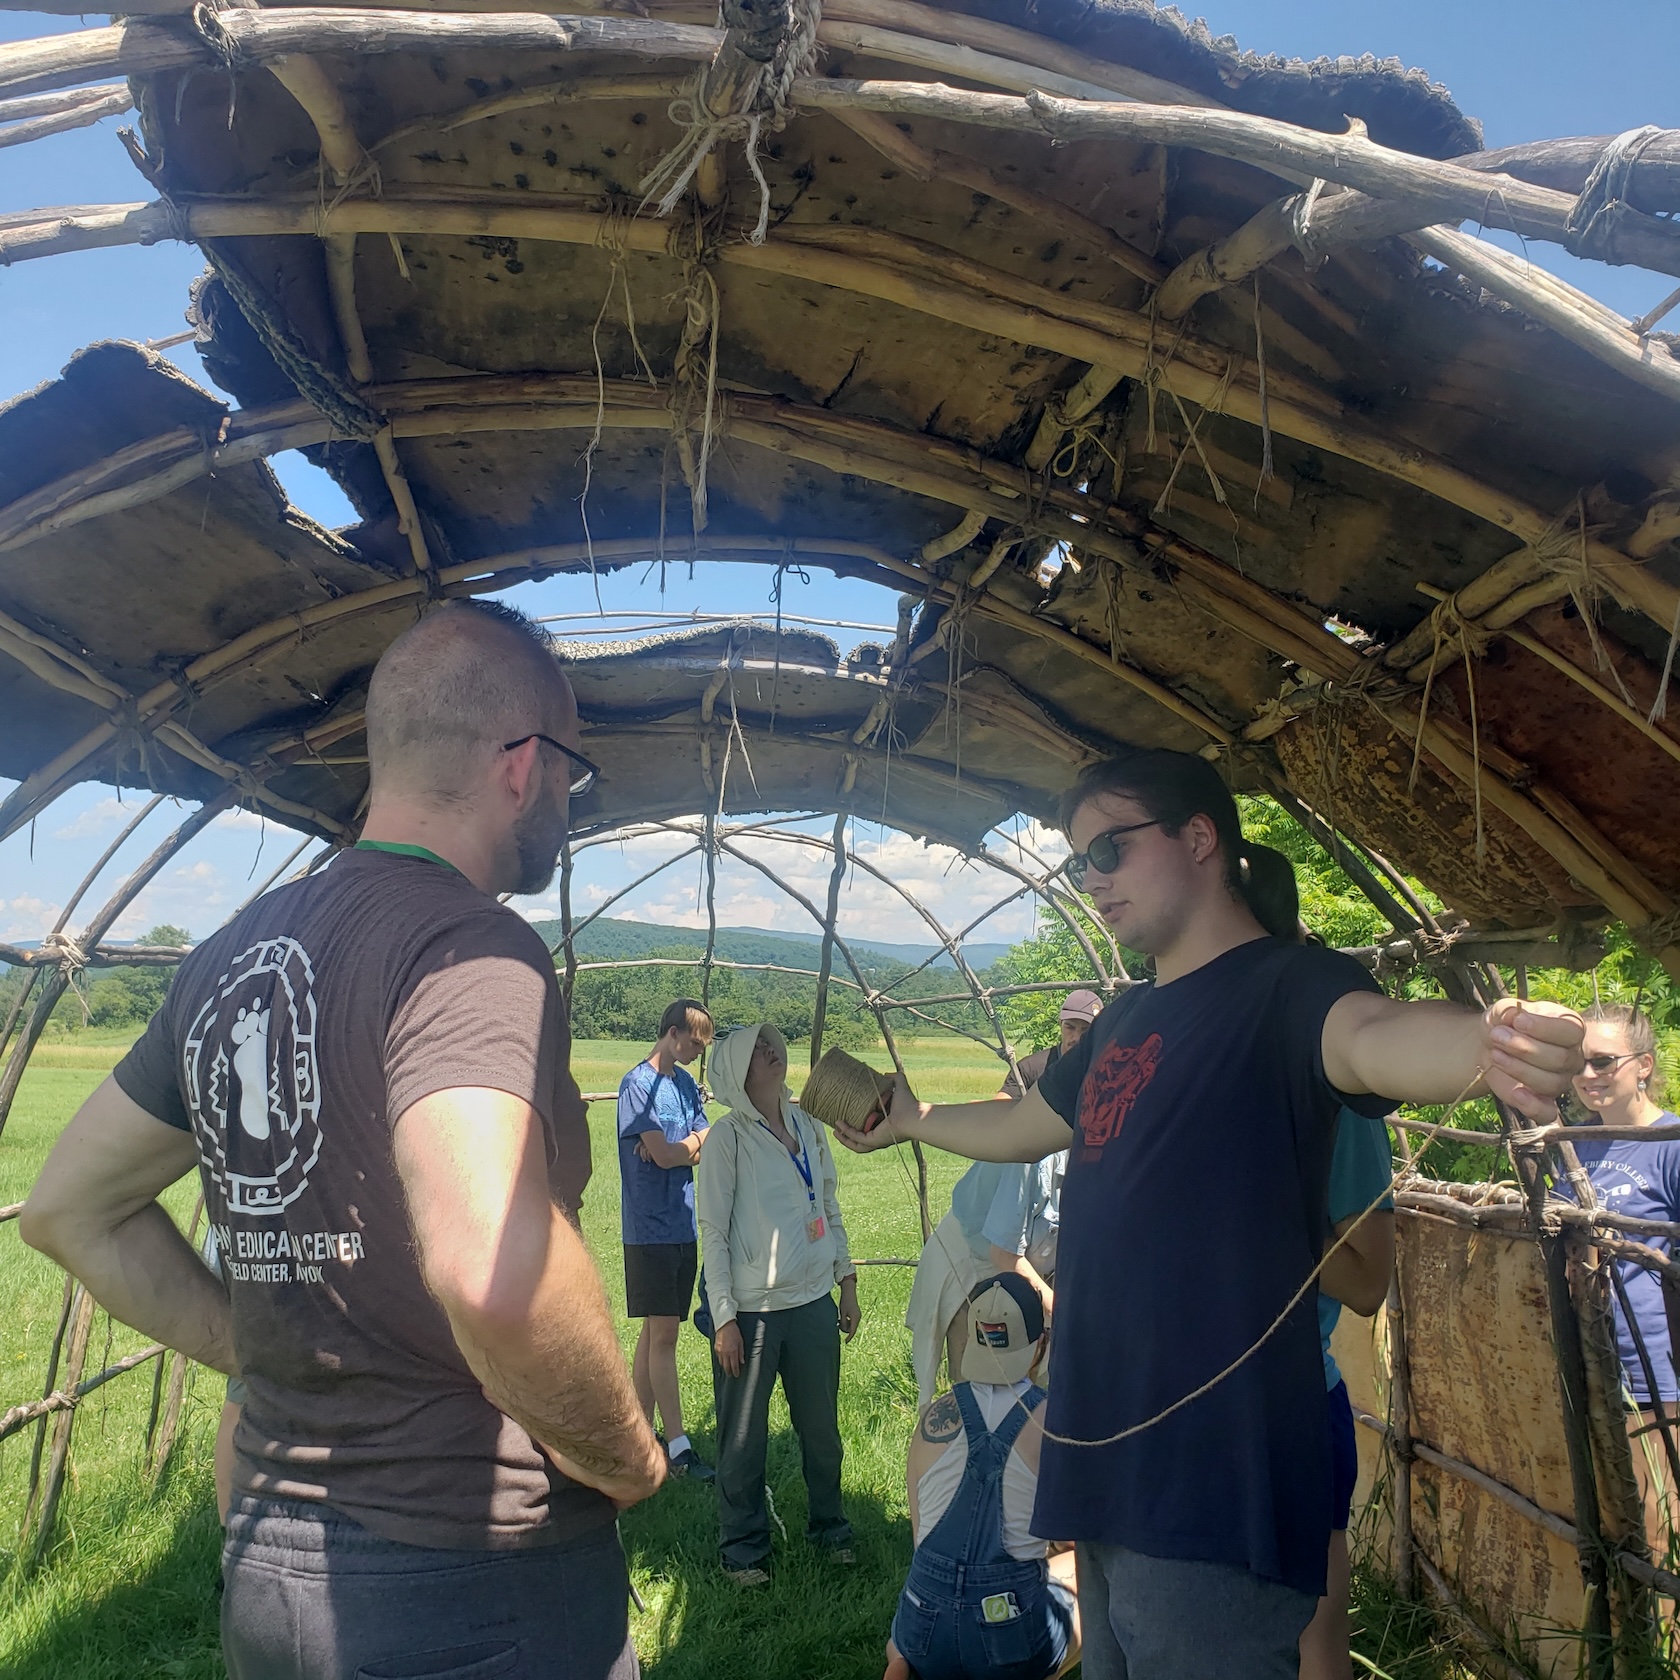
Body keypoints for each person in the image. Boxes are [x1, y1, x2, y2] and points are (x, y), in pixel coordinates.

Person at [835, 749, 1584, 1680]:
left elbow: (1373, 1036)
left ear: (1200, 838)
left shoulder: (1287, 989)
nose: (1092, 881)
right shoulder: (1119, 1023)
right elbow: (1028, 1124)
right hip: (1102, 1465)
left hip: (1211, 1479)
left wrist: (1487, 1040)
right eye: (1078, 863)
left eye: (1110, 849)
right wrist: (914, 1119)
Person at [21, 599, 665, 1680]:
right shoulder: (471, 948)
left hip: (274, 1574)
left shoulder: (228, 952)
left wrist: (259, 1352)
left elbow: (66, 1208)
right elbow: (491, 1270)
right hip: (476, 1587)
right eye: (572, 772)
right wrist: (626, 1454)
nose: (569, 797)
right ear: (522, 763)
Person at [696, 1022, 861, 1584]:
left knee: (821, 1430)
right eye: (756, 1050)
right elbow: (712, 1232)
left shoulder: (807, 1123)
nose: (771, 1051)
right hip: (751, 1312)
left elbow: (829, 1205)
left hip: (813, 1301)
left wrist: (848, 1280)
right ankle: (743, 1549)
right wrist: (724, 1319)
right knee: (742, 1435)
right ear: (736, 1074)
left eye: (772, 1044)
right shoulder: (728, 1139)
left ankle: (830, 1527)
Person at [884, 1274, 1080, 1680]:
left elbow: (922, 1539)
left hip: (924, 1616)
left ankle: (901, 1660)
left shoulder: (933, 1418)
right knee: (1090, 1580)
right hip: (1005, 1629)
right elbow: (1078, 1534)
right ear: (1039, 1345)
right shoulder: (1051, 1420)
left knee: (911, 1629)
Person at [1560, 1002, 1680, 1553]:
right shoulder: (1569, 1143)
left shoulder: (1670, 1145)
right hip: (1581, 1361)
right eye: (1578, 1063)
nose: (1588, 1076)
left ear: (1644, 1065)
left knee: (1660, 1525)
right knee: (1606, 1527)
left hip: (1653, 1369)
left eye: (1604, 1061)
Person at [1299, 1107, 1396, 1680]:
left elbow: (1366, 1282)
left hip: (1293, 1405)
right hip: (1174, 1397)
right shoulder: (1175, 1068)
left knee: (1316, 1629)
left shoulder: (1340, 1104)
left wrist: (1258, 1206)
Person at [618, 997, 715, 1480]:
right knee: (666, 1336)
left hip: (682, 1223)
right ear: (672, 1033)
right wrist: (683, 1149)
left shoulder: (684, 1085)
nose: (698, 1051)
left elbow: (699, 1140)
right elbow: (666, 1155)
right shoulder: (637, 1085)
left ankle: (638, 1436)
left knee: (654, 1334)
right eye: (695, 1042)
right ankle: (678, 1447)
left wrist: (684, 1148)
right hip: (650, 1227)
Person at [906, 1151, 1066, 1409]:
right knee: (981, 1397)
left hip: (1023, 1276)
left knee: (1029, 1398)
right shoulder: (1032, 1158)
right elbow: (1004, 1253)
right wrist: (1061, 1312)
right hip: (973, 1273)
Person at [1000, 990, 1103, 1100]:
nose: (1077, 1037)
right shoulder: (1030, 1068)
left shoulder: (1108, 1071)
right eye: (1070, 1027)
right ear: (1060, 1023)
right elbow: (999, 1109)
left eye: (1085, 1030)